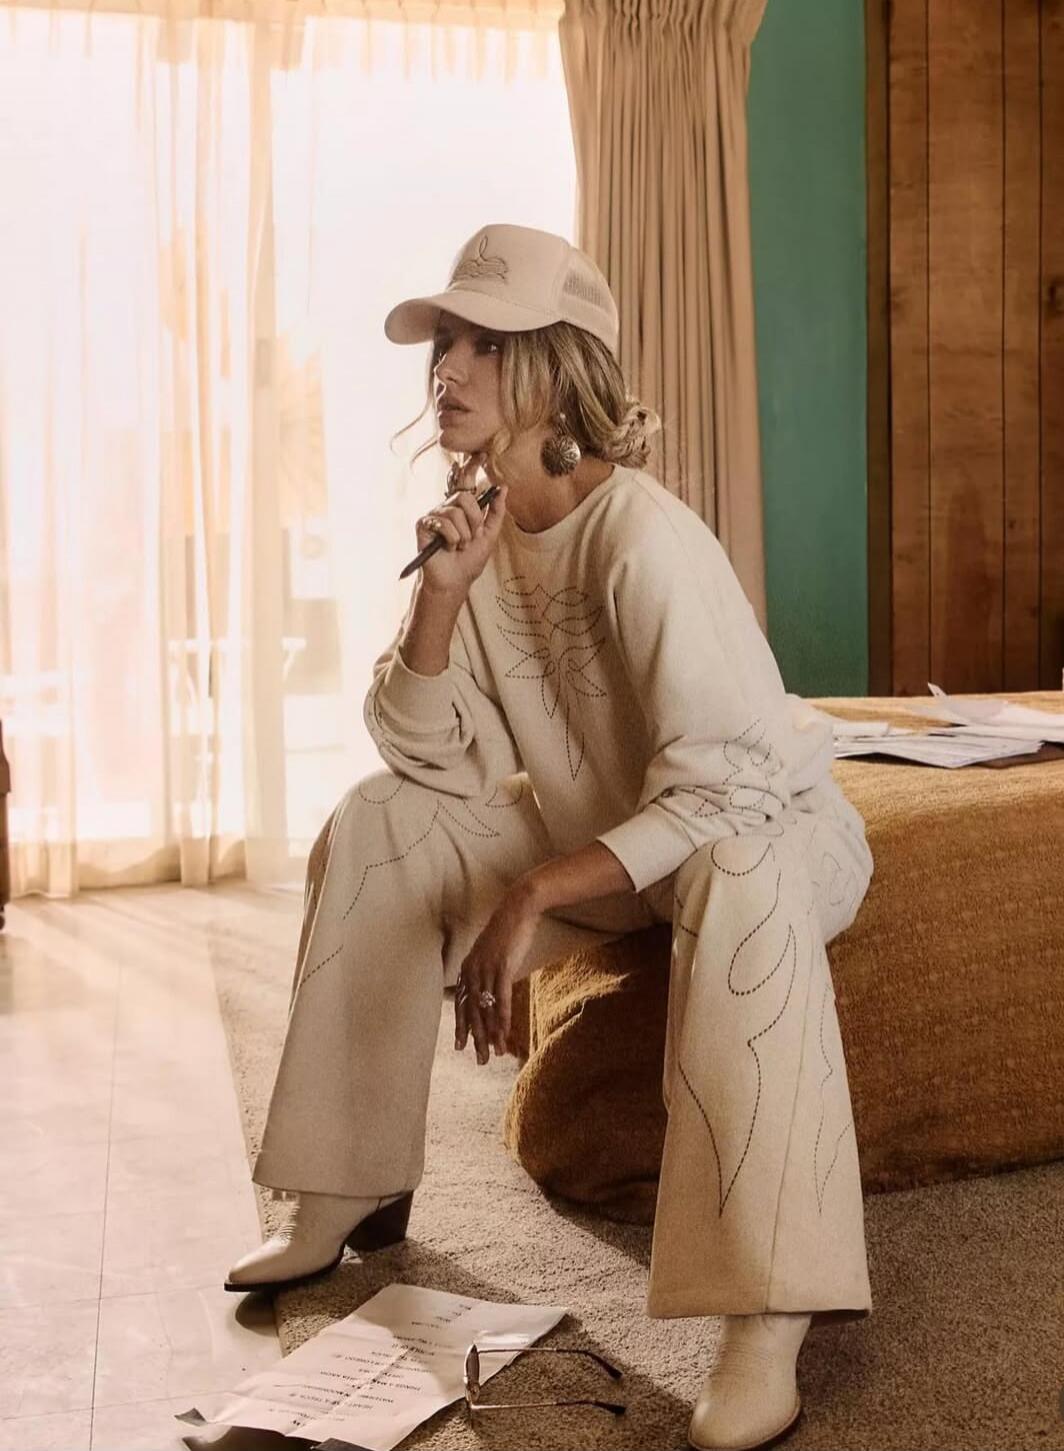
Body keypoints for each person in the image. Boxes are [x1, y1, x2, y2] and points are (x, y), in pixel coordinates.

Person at [225, 222, 876, 1451]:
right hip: (608, 841)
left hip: (760, 833)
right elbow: (425, 757)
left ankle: (765, 1308)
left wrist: (533, 892)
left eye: (483, 341)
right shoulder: (473, 530)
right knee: (375, 822)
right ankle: (343, 1177)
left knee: (735, 866)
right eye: (444, 343)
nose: (448, 368)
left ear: (556, 364)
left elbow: (728, 788)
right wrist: (442, 596)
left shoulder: (641, 534)